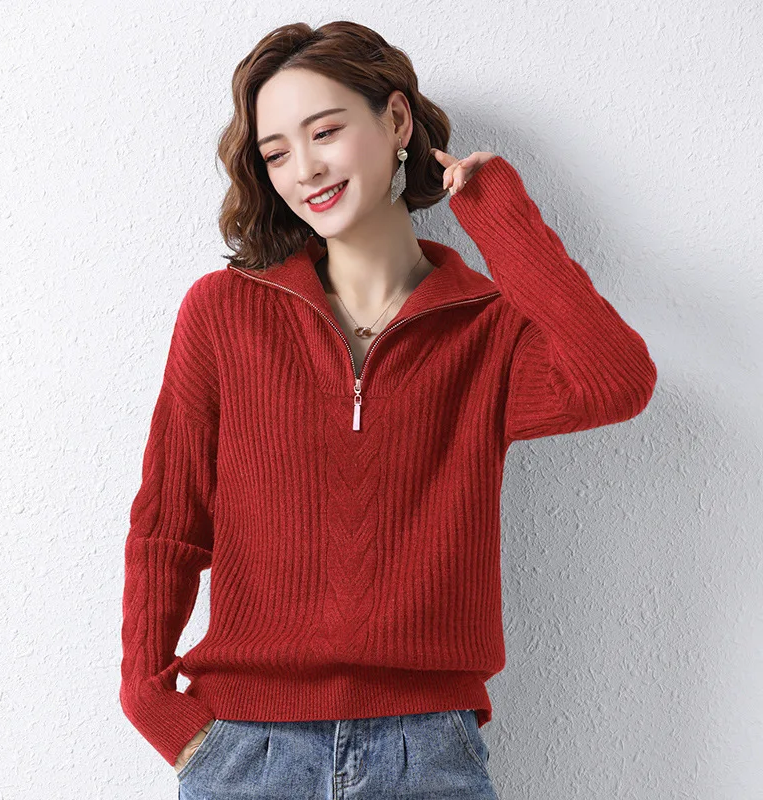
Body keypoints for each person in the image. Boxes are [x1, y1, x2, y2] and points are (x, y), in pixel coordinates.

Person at [119, 20, 657, 799]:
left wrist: (496, 211)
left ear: (396, 120)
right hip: (246, 751)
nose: (305, 168)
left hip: (426, 752)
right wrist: (153, 704)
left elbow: (614, 381)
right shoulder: (224, 313)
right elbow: (168, 524)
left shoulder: (486, 330)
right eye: (276, 153)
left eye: (325, 132)